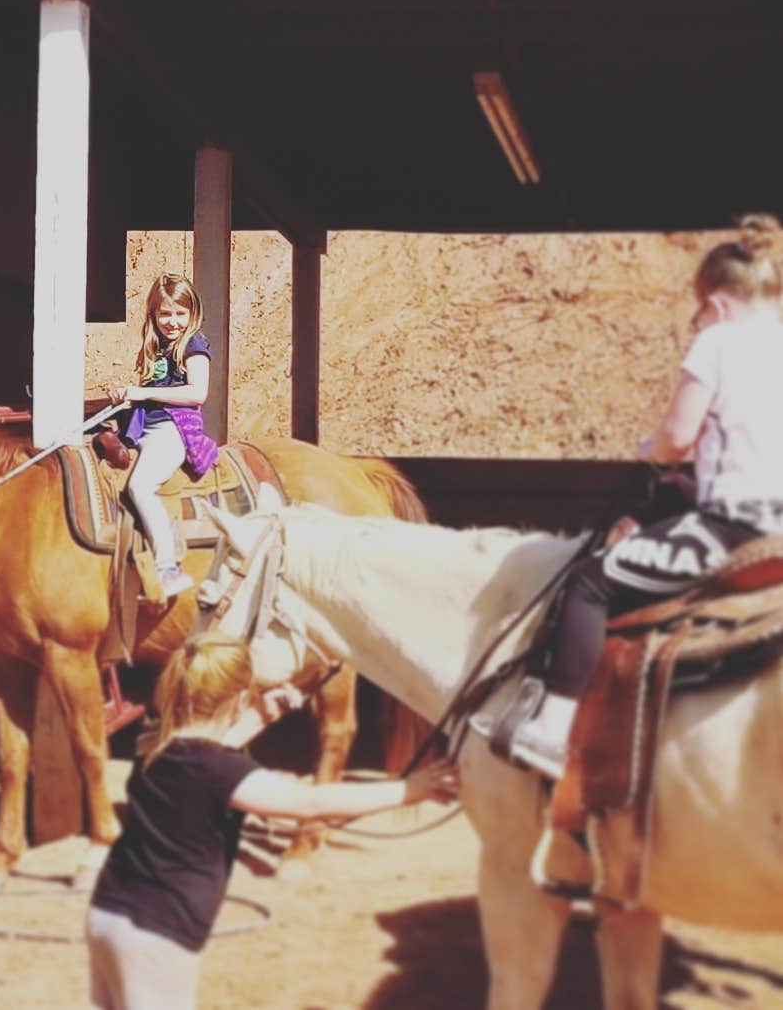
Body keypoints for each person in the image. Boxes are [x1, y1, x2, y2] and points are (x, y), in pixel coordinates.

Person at [508, 213, 783, 779]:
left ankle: (551, 730)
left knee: (589, 583)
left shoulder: (719, 340)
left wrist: (652, 451)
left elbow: (677, 438)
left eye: (699, 311)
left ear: (716, 304)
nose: (699, 321)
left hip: (737, 529)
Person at [85, 631, 460, 1010]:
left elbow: (211, 744)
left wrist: (263, 715)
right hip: (155, 936)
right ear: (240, 699)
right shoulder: (220, 771)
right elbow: (310, 803)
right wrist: (410, 789)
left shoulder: (158, 749)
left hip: (108, 915)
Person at [109, 274, 220, 599]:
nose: (173, 322)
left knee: (140, 486)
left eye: (180, 313)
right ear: (154, 315)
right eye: (165, 314)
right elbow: (150, 393)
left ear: (192, 313)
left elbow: (197, 393)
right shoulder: (157, 348)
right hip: (142, 428)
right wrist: (126, 395)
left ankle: (168, 569)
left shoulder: (194, 345)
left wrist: (142, 393)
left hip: (171, 430)